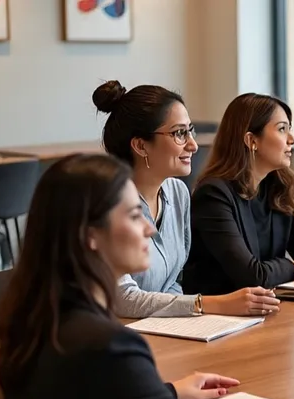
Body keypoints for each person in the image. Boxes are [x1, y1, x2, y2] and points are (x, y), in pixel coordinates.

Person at [0, 154, 294, 399]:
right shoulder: (109, 346)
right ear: (89, 234)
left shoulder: (31, 321)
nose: (150, 228)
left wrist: (167, 394)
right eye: (135, 215)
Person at [93, 80, 280, 318]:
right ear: (141, 145)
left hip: (161, 332)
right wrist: (211, 304)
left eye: (190, 130)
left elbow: (174, 281)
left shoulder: (178, 193)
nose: (192, 145)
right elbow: (122, 299)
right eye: (179, 133)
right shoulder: (106, 202)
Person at [183, 93, 294, 294]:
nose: (292, 139)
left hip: (262, 308)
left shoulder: (277, 188)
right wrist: (290, 266)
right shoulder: (213, 195)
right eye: (281, 129)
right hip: (219, 316)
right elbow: (252, 277)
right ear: (251, 140)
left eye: (290, 129)